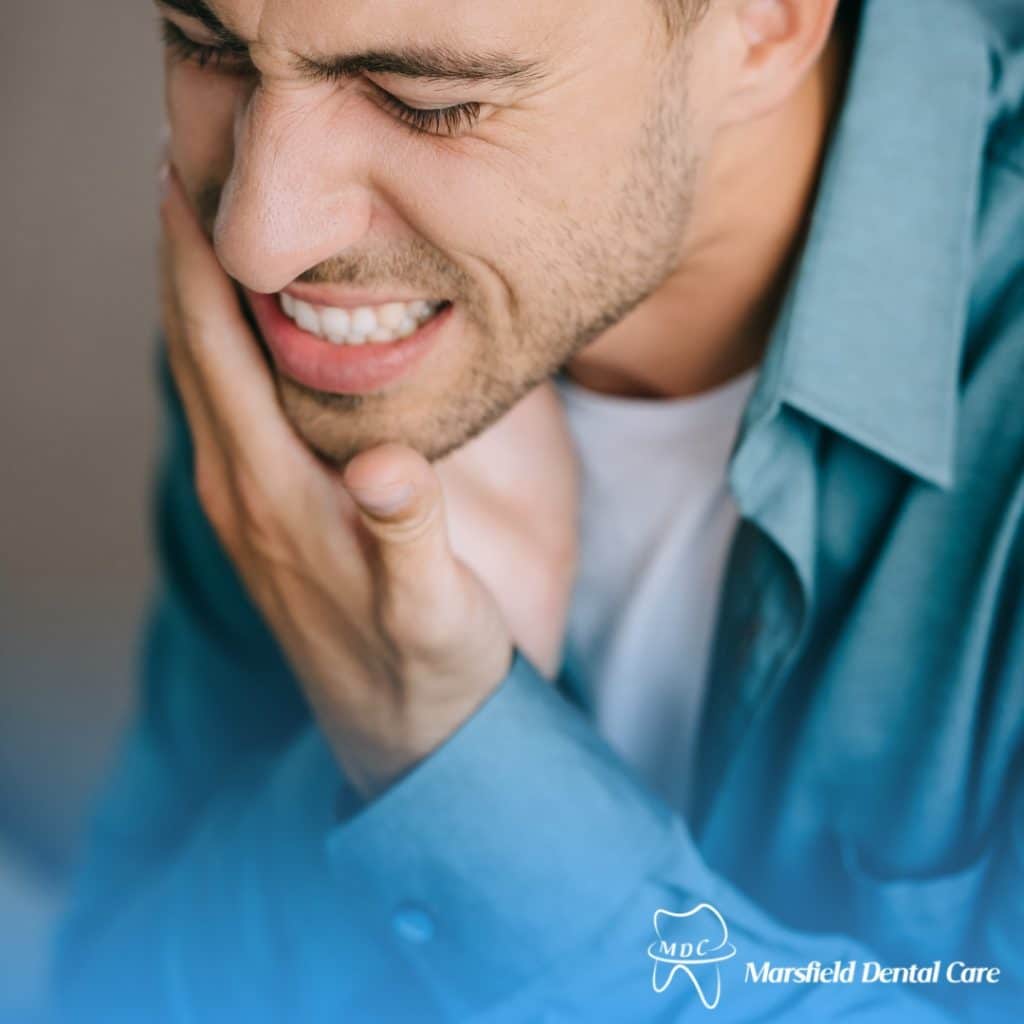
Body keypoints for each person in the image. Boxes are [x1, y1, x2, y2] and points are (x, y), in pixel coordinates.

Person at [54, 0, 1022, 1020]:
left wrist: (442, 750)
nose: (258, 237)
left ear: (766, 24)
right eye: (206, 46)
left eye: (425, 100)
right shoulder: (316, 322)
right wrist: (344, 775)